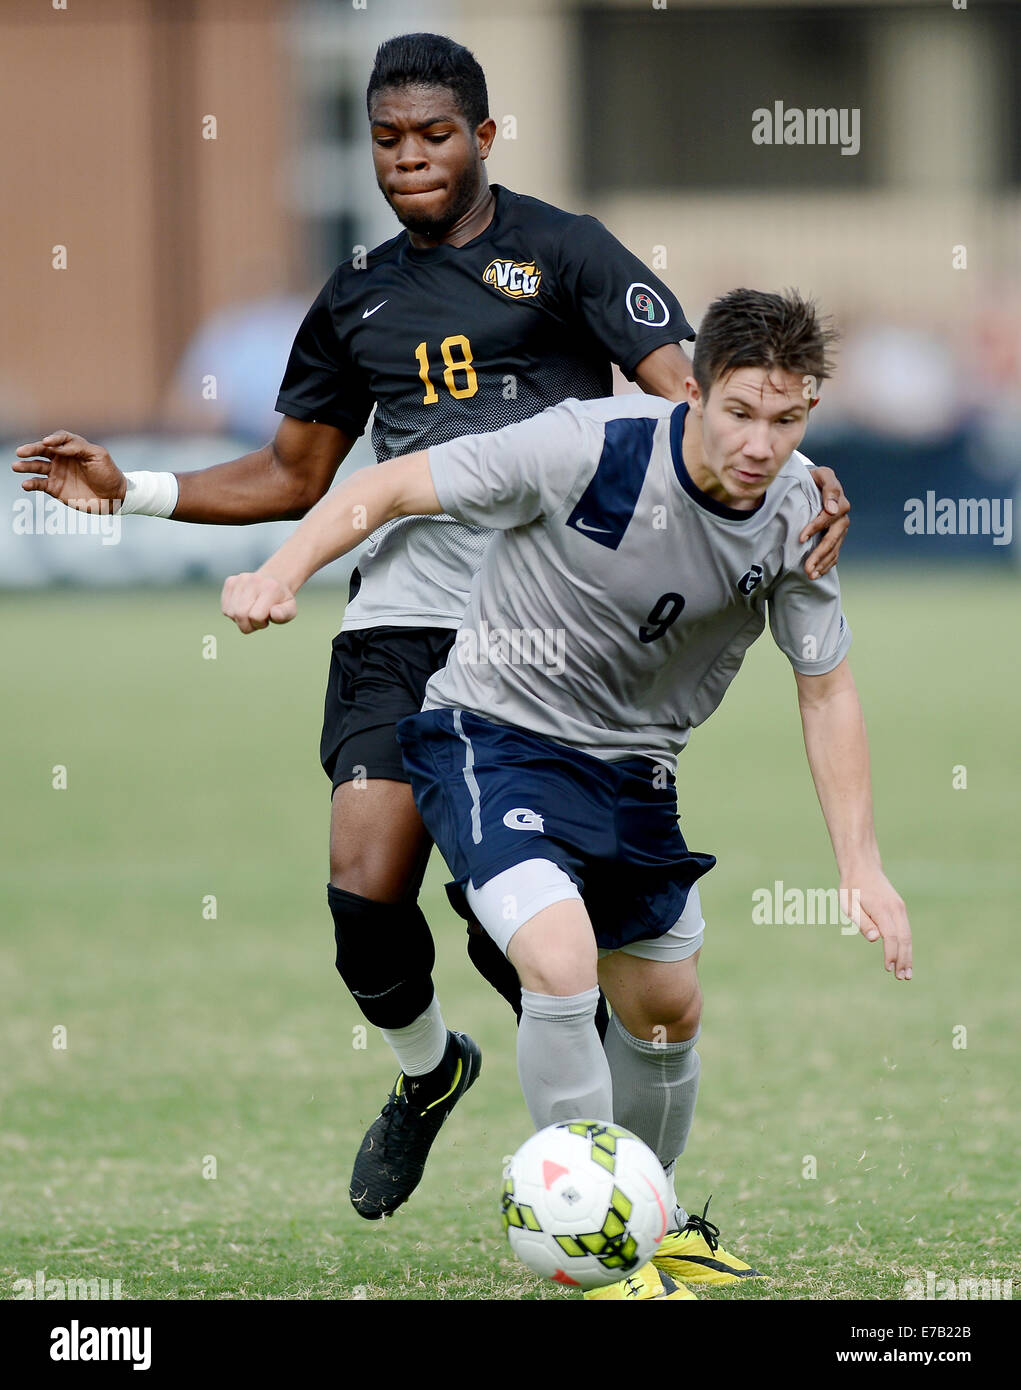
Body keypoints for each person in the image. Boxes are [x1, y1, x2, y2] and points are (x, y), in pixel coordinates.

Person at [12, 34, 851, 1232]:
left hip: (544, 632)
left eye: (434, 134)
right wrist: (135, 489)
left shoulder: (564, 250)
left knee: (536, 949)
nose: (410, 158)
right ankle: (427, 1071)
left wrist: (802, 482)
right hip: (403, 615)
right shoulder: (354, 293)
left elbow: (694, 394)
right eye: (388, 139)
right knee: (364, 885)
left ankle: (624, 1201)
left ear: (484, 137)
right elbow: (295, 472)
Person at [220, 287, 912, 1300]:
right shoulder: (584, 445)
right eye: (740, 411)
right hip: (491, 734)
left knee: (667, 1009)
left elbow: (827, 687)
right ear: (695, 391)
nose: (761, 443)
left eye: (787, 418)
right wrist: (279, 570)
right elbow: (394, 484)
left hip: (637, 771)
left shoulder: (803, 512)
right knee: (557, 958)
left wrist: (863, 865)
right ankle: (587, 1250)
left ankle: (651, 1216)